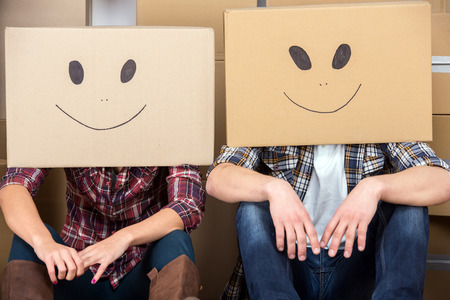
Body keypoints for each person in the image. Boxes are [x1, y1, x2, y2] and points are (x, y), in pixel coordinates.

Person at [206, 143, 450, 299]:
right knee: (252, 209)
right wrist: (274, 188)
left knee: (411, 209)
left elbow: (441, 179)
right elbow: (218, 177)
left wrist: (374, 187)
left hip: (359, 268)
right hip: (292, 264)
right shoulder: (273, 110)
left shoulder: (378, 110)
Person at [0, 165, 205, 300]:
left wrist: (123, 238)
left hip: (140, 275)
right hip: (77, 270)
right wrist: (44, 243)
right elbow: (14, 184)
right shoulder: (68, 115)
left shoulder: (169, 119)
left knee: (176, 239)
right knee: (27, 241)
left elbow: (187, 203)